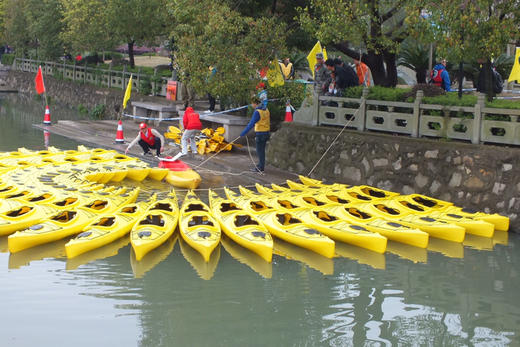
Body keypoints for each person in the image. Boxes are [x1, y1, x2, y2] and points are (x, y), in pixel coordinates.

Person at [240, 97, 270, 173]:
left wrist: (243, 133)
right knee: (262, 150)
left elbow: (251, 123)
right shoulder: (266, 109)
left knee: (260, 151)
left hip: (260, 133)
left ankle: (260, 167)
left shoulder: (257, 112)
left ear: (256, 104)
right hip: (266, 132)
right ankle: (261, 165)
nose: (251, 105)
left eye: (252, 103)